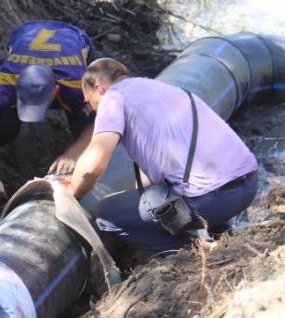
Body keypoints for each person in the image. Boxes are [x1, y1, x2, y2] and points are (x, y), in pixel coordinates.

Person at [66, 58, 259, 252]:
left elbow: (91, 168)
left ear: (99, 89)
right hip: (249, 185)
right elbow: (148, 183)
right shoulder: (165, 89)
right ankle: (225, 238)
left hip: (211, 200)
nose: (91, 109)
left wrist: (71, 193)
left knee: (105, 214)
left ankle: (188, 254)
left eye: (89, 101)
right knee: (173, 194)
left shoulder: (113, 97)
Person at [0, 20, 95, 214]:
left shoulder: (77, 86)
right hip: (26, 33)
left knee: (84, 135)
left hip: (75, 38)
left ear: (55, 91)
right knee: (5, 124)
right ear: (16, 89)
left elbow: (98, 126)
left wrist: (73, 154)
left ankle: (76, 189)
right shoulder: (4, 86)